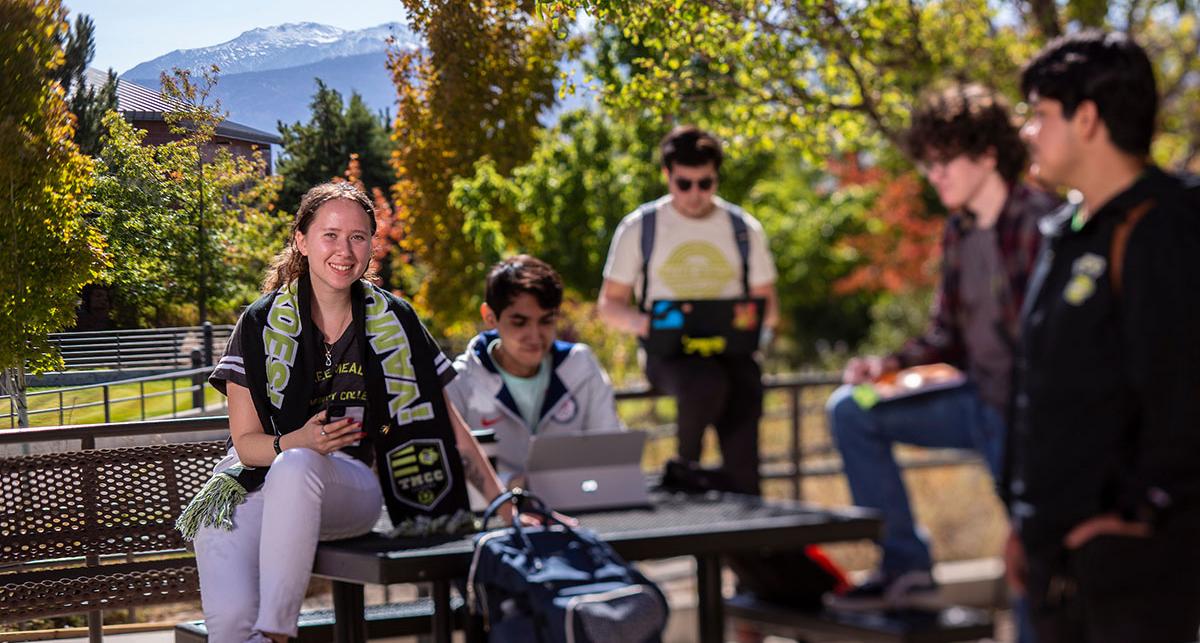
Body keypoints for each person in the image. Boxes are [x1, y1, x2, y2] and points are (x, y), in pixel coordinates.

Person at [182, 182, 508, 643]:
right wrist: (298, 441)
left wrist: (502, 503)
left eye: (358, 236)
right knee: (218, 520)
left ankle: (278, 633)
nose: (344, 250)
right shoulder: (257, 324)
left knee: (297, 468)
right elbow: (246, 445)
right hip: (263, 480)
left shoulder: (396, 319)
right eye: (330, 235)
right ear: (301, 240)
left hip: (350, 488)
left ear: (372, 244)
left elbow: (446, 425)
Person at [826, 84, 1060, 610]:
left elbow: (1058, 352)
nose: (934, 176)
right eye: (927, 164)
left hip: (1026, 419)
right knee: (851, 409)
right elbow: (944, 336)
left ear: (987, 154)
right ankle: (906, 569)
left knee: (1035, 567)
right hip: (971, 402)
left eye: (945, 160)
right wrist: (886, 366)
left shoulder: (1043, 224)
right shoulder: (957, 231)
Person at [1006, 30, 1200, 642]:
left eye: (1039, 114)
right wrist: (1027, 523)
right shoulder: (1065, 229)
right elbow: (1040, 387)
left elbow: (1183, 392)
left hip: (1132, 571)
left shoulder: (1166, 226)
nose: (1027, 131)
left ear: (1086, 119)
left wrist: (1144, 516)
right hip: (1054, 559)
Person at [598, 125, 778, 496]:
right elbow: (609, 305)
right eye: (684, 184)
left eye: (705, 183)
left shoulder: (743, 228)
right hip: (669, 355)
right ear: (667, 175)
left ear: (716, 177)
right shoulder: (639, 227)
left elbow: (768, 306)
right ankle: (686, 479)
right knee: (704, 384)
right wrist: (651, 324)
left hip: (732, 355)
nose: (695, 195)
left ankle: (745, 521)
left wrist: (751, 327)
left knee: (745, 390)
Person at [445, 255, 623, 486]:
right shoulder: (459, 381)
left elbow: (611, 449)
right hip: (494, 516)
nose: (535, 335)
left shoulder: (582, 365)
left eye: (546, 321)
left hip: (580, 511)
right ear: (490, 317)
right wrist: (510, 485)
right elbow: (445, 467)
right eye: (520, 322)